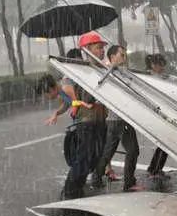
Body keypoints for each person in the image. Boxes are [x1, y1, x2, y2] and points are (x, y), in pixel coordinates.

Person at [59, 32, 108, 200]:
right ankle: (70, 191)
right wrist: (79, 98)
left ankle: (77, 188)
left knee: (94, 158)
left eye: (102, 48)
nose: (102, 51)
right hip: (86, 121)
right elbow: (69, 87)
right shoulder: (81, 69)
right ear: (87, 49)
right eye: (98, 48)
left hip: (100, 120)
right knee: (83, 158)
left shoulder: (102, 69)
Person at [91, 44, 140, 191]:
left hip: (113, 120)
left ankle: (96, 178)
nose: (124, 58)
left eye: (125, 55)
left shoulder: (113, 72)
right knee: (133, 150)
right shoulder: (110, 73)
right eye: (122, 55)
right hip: (120, 119)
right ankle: (129, 183)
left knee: (108, 152)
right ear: (112, 57)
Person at [145, 53, 169, 177]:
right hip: (157, 113)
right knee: (164, 143)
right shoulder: (148, 77)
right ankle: (155, 169)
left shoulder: (160, 77)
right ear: (153, 65)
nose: (163, 68)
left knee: (165, 144)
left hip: (162, 112)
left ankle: (154, 168)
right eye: (160, 65)